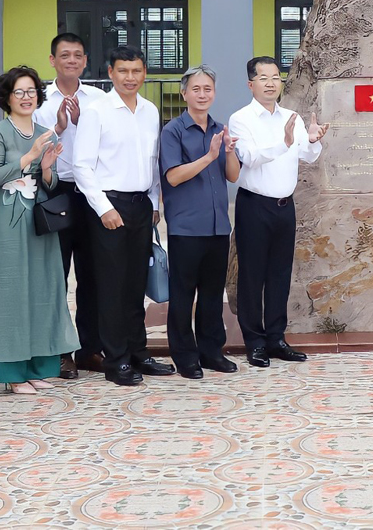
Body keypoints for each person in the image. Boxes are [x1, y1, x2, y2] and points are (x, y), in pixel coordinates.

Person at [74, 46, 174, 386]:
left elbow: (151, 161)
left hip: (141, 205)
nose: (130, 78)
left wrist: (154, 201)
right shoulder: (96, 111)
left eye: (136, 71)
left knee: (135, 285)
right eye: (123, 71)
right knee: (112, 286)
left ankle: (138, 352)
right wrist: (104, 208)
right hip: (108, 207)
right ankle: (115, 359)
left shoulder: (149, 110)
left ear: (144, 73)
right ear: (111, 73)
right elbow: (82, 166)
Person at [0, 66, 80, 393]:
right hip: (8, 216)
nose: (27, 97)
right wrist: (31, 156)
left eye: (32, 91)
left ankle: (40, 365)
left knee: (43, 288)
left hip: (39, 217)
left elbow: (49, 183)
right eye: (19, 92)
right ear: (7, 98)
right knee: (11, 291)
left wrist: (48, 167)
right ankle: (12, 373)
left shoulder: (46, 132)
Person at [228, 56, 328, 369]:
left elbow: (308, 157)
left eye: (275, 77)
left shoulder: (292, 117)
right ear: (250, 84)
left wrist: (311, 141)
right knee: (252, 276)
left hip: (286, 207)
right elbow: (248, 157)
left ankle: (276, 338)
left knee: (280, 276)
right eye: (263, 78)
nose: (271, 83)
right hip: (254, 206)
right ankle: (254, 342)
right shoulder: (241, 119)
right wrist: (284, 143)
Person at [160, 66, 241, 379]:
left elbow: (232, 175)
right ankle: (185, 357)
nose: (203, 94)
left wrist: (229, 152)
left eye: (208, 89)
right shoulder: (173, 131)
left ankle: (211, 352)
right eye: (196, 89)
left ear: (214, 93)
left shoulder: (221, 130)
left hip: (218, 226)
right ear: (185, 93)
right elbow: (174, 176)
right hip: (186, 227)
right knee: (183, 296)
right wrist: (208, 157)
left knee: (211, 295)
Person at [35, 33, 105, 377]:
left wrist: (83, 125)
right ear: (53, 60)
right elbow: (32, 147)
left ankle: (90, 349)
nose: (72, 61)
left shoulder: (99, 99)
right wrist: (61, 129)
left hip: (91, 192)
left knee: (92, 273)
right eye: (65, 55)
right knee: (56, 274)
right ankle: (60, 350)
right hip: (56, 190)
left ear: (85, 60)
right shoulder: (39, 101)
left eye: (78, 55)